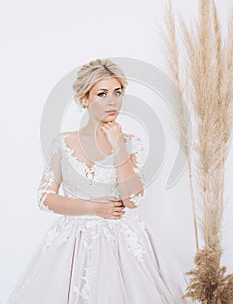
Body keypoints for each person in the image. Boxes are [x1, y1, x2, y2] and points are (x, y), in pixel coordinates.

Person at [7, 58, 192, 303]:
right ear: (85, 99)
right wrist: (93, 208)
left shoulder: (129, 142)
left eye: (117, 92)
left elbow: (133, 199)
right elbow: (45, 198)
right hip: (74, 240)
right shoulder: (64, 142)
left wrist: (118, 148)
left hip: (123, 241)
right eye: (102, 94)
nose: (112, 101)